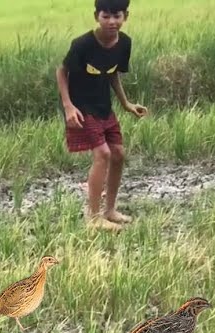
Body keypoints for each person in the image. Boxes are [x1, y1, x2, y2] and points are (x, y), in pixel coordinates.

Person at [56, 0, 148, 232]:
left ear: (125, 15)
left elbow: (113, 73)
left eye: (116, 16)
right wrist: (68, 106)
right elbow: (62, 71)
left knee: (118, 154)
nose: (111, 22)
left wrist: (126, 103)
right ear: (97, 16)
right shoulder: (83, 44)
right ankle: (94, 217)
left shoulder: (124, 43)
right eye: (106, 16)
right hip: (82, 107)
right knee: (103, 154)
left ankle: (110, 210)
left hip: (104, 106)